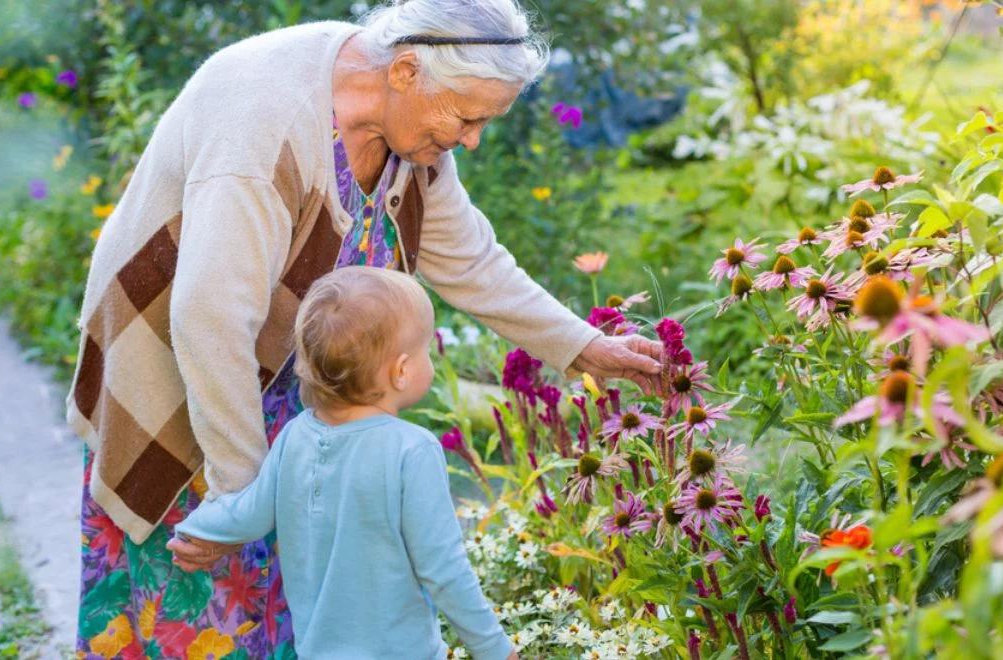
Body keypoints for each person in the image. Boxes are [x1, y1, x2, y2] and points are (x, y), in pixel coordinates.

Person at [68, 0, 661, 655]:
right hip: (189, 373)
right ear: (406, 71)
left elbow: (470, 260)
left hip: (301, 382)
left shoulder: (408, 126)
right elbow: (208, 323)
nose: (471, 140)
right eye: (468, 118)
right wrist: (251, 501)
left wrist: (585, 346)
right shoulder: (264, 121)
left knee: (301, 606)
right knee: (209, 608)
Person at [171, 267, 516, 659]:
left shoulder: (295, 437)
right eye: (425, 349)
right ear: (401, 371)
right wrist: (495, 649)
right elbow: (444, 569)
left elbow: (248, 514)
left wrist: (194, 529)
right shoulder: (412, 451)